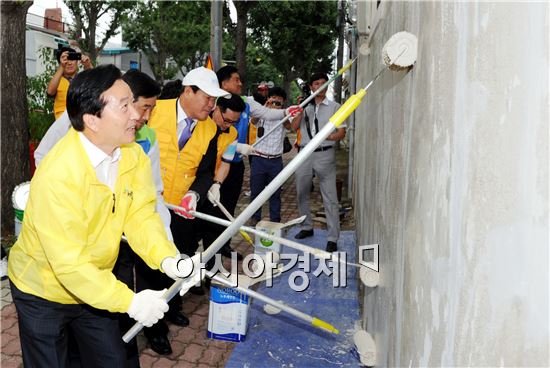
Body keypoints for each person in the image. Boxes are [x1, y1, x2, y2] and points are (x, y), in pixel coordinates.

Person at [8, 64, 198, 367]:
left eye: (132, 103)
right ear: (92, 119)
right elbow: (68, 265)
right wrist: (131, 302)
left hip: (95, 286)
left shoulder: (131, 154)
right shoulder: (59, 174)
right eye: (124, 106)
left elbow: (140, 215)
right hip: (42, 291)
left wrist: (166, 258)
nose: (136, 115)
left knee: (114, 360)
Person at [146, 66, 230, 354]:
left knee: (179, 260)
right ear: (187, 91)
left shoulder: (209, 128)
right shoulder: (154, 110)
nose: (212, 105)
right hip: (148, 206)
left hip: (182, 210)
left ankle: (172, 305)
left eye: (214, 100)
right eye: (207, 98)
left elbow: (206, 171)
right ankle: (154, 329)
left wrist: (195, 193)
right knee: (152, 266)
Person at [215, 66, 302, 254]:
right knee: (213, 210)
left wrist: (287, 110)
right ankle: (211, 249)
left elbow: (268, 114)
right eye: (236, 79)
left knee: (229, 207)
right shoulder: (211, 101)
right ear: (224, 83)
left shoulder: (247, 102)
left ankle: (224, 247)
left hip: (236, 164)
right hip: (214, 165)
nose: (240, 83)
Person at [290, 72, 346, 252]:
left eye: (324, 83)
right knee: (301, 191)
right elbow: (293, 126)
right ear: (311, 86)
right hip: (305, 153)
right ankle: (306, 226)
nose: (320, 86)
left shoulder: (335, 107)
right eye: (316, 83)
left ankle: (332, 237)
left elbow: (341, 132)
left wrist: (329, 136)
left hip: (325, 154)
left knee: (330, 196)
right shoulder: (305, 106)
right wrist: (301, 107)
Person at [249, 87, 290, 223]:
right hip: (259, 158)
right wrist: (265, 107)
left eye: (279, 99)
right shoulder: (262, 112)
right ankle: (255, 219)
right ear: (269, 98)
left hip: (275, 161)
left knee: (275, 193)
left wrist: (283, 113)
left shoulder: (285, 116)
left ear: (283, 101)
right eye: (274, 98)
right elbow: (253, 122)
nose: (276, 101)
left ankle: (275, 220)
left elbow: (290, 127)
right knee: (256, 192)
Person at [47, 46, 92, 119]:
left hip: (82, 121)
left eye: (72, 59)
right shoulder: (57, 79)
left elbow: (95, 83)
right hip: (63, 124)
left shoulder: (82, 78)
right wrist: (61, 66)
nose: (69, 63)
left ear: (77, 61)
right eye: (65, 60)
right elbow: (50, 92)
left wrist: (88, 65)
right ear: (60, 63)